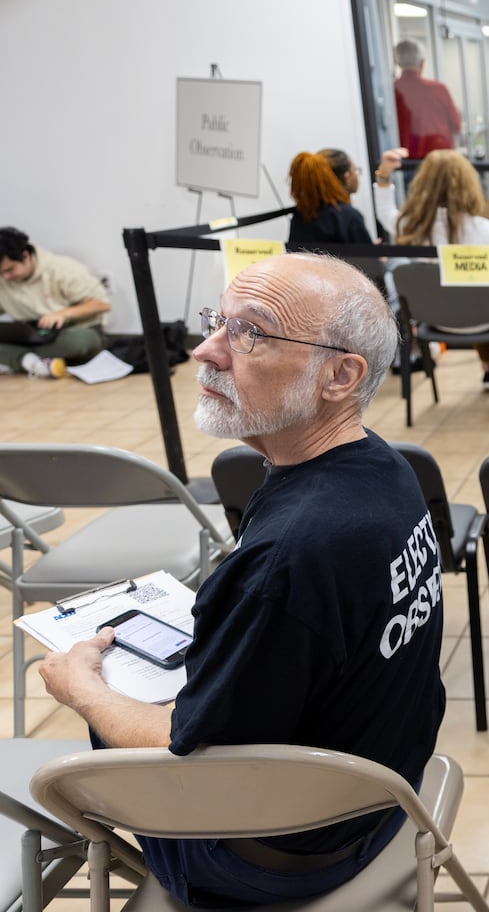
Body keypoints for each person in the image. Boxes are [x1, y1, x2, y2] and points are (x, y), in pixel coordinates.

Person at [38, 253, 446, 908]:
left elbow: (188, 752)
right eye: (217, 322)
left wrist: (81, 688)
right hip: (384, 793)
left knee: (88, 730)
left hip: (285, 854)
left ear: (341, 375)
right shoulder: (385, 469)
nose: (205, 351)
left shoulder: (289, 558)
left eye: (250, 333)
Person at [375, 147, 489, 391]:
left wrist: (384, 175)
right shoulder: (484, 229)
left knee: (472, 295)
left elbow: (385, 214)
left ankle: (488, 370)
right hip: (486, 318)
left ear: (423, 184)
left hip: (435, 321)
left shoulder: (412, 229)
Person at [0, 227, 110, 378]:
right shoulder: (3, 280)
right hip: (31, 334)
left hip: (71, 331)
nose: (5, 277)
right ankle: (32, 361)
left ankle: (20, 358)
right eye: (0, 273)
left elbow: (101, 304)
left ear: (25, 256)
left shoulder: (62, 268)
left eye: (10, 270)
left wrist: (62, 314)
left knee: (80, 343)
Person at [286, 151, 374, 246]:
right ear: (346, 176)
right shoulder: (348, 216)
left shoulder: (301, 215)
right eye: (355, 170)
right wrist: (378, 256)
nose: (357, 175)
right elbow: (367, 259)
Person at [393, 39, 461, 160]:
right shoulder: (438, 89)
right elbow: (456, 125)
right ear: (422, 62)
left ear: (397, 63)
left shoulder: (392, 90)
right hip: (440, 158)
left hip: (406, 159)